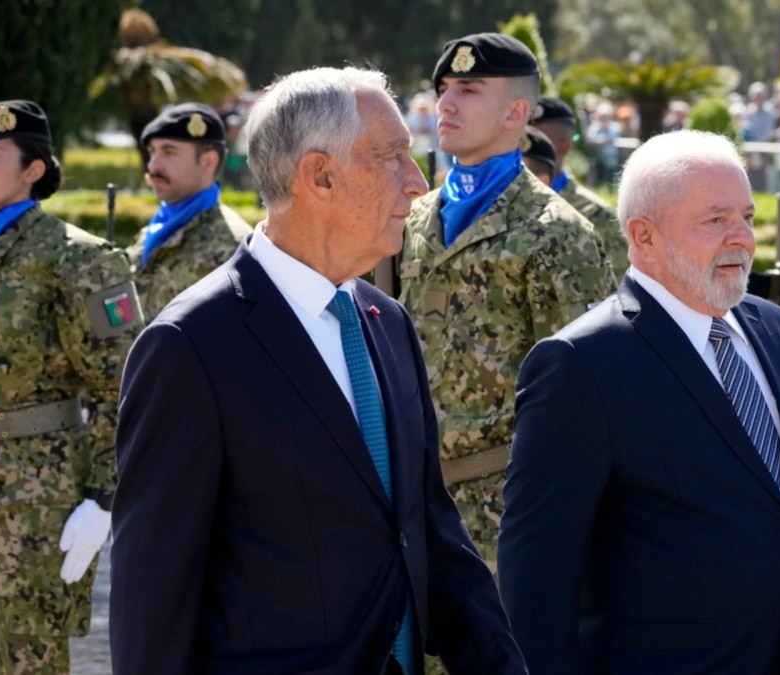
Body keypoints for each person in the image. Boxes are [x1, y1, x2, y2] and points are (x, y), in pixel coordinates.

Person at [110, 67, 526, 675]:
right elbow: (154, 596)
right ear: (320, 175)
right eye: (392, 158)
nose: (416, 183)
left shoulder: (387, 322)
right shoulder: (190, 347)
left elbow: (428, 529)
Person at [497, 130, 780, 675]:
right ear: (643, 236)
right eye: (715, 220)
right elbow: (537, 572)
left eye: (746, 217)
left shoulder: (778, 330)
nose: (742, 238)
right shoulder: (580, 364)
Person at [0, 100, 144, 673]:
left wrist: (105, 497)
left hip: (38, 494)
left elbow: (123, 381)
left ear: (34, 169)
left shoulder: (78, 259)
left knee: (32, 662)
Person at [398, 33, 615, 568]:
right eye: (444, 88)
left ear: (517, 111)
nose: (445, 103)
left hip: (507, 517)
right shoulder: (414, 218)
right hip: (412, 503)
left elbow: (591, 397)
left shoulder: (558, 233)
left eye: (468, 90)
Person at [129, 102, 252, 317]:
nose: (153, 165)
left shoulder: (234, 246)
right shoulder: (150, 232)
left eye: (169, 152)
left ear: (208, 160)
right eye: (152, 152)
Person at [532, 94, 627, 275]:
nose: (522, 148)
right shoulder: (495, 203)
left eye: (534, 141)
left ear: (563, 147)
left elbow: (619, 289)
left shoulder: (597, 215)